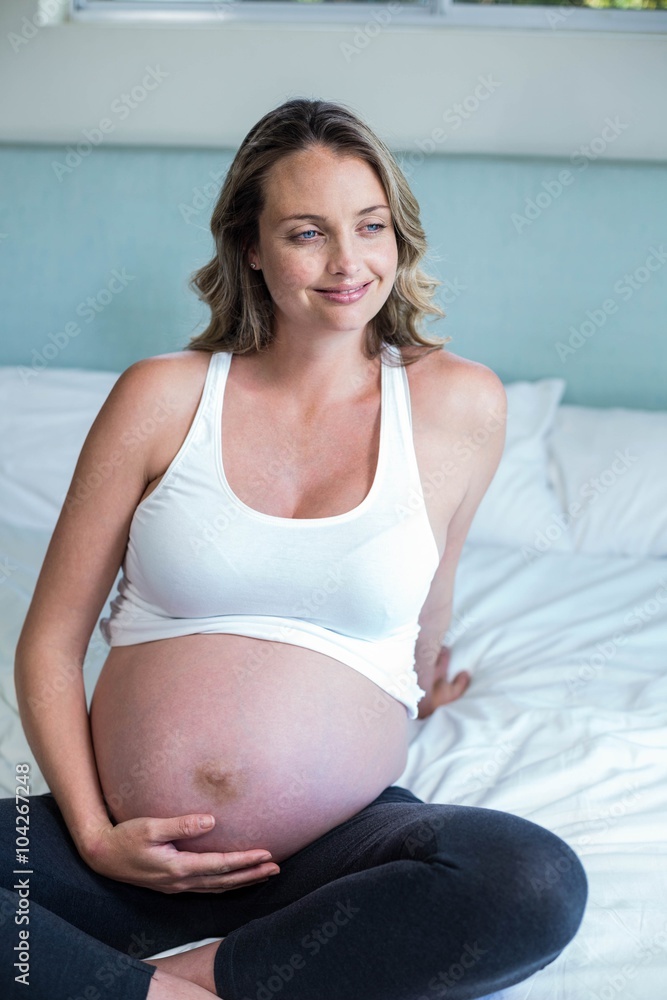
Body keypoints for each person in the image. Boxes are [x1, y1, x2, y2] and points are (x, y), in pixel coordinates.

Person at [0, 98, 587, 1000]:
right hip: (124, 852)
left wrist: (422, 682)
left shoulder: (459, 404)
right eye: (308, 233)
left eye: (370, 226)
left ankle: (165, 983)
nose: (348, 263)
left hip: (331, 861)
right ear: (250, 245)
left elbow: (427, 596)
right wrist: (92, 832)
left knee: (530, 880)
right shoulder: (161, 396)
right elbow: (48, 641)